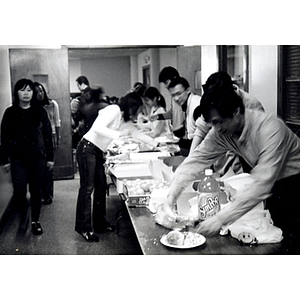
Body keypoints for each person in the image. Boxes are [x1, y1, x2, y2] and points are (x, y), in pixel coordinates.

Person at [156, 83, 300, 254]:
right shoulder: (222, 131)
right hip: (274, 186)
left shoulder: (270, 129)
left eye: (218, 122)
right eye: (211, 124)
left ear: (236, 112)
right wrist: (170, 198)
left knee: (293, 242)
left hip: (295, 185)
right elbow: (196, 160)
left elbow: (261, 184)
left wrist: (220, 219)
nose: (215, 129)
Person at [75, 92, 159, 242]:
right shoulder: (113, 109)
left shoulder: (124, 120)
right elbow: (97, 128)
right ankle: (84, 228)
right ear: (131, 107)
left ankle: (99, 223)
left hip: (97, 151)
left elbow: (137, 134)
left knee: (101, 187)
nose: (138, 115)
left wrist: (158, 145)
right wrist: (119, 134)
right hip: (87, 148)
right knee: (87, 188)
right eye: (137, 111)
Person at [1, 79, 54, 235]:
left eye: (29, 90)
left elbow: (47, 136)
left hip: (38, 158)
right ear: (16, 92)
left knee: (36, 190)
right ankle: (24, 215)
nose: (26, 93)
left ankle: (35, 221)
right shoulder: (10, 112)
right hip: (18, 159)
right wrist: (4, 160)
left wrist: (50, 158)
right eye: (22, 90)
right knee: (19, 191)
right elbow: (4, 137)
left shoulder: (40, 111)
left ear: (33, 93)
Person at [190, 71, 265, 175]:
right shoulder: (213, 101)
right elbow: (201, 129)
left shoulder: (251, 105)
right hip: (222, 161)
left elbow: (255, 145)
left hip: (247, 159)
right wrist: (190, 160)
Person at [150, 77, 201, 156]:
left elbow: (199, 137)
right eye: (173, 95)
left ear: (188, 90)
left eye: (179, 93)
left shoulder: (196, 105)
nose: (176, 98)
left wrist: (179, 148)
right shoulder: (186, 103)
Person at [33, 82, 61, 204]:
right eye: (37, 92)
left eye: (42, 91)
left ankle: (48, 194)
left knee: (48, 166)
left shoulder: (51, 104)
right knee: (38, 167)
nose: (40, 94)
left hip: (51, 135)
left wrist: (58, 136)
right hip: (37, 137)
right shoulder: (31, 107)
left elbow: (57, 120)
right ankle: (39, 193)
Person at [156, 67, 185, 142]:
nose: (165, 86)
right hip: (177, 135)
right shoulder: (173, 98)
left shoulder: (184, 97)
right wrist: (159, 116)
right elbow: (172, 113)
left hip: (184, 135)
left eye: (166, 83)